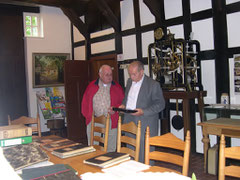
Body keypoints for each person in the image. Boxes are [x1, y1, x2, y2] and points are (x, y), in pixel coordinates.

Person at [120, 61, 165, 162]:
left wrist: (143, 111)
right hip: (129, 121)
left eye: (134, 74)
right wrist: (123, 105)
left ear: (142, 72)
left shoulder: (153, 85)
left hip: (145, 123)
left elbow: (161, 104)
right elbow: (127, 98)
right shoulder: (129, 82)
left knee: (145, 154)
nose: (131, 77)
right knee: (130, 151)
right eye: (130, 74)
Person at [81, 65, 124, 152]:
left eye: (111, 74)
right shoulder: (92, 86)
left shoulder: (117, 87)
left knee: (111, 148)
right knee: (93, 147)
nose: (109, 77)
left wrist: (116, 111)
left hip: (111, 120)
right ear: (100, 75)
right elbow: (85, 102)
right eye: (106, 74)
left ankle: (109, 162)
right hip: (95, 119)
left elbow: (123, 105)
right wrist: (88, 116)